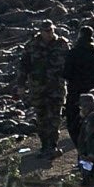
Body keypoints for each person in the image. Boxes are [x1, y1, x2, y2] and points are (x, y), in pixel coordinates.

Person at [18, 21, 69, 157]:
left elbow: (70, 64)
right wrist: (21, 85)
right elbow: (24, 66)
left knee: (54, 117)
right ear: (40, 31)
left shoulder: (62, 44)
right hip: (38, 87)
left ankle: (52, 145)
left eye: (51, 30)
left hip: (56, 87)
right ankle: (44, 145)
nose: (49, 33)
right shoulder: (32, 46)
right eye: (46, 31)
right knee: (41, 117)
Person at [63, 26, 94, 146]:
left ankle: (79, 144)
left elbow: (66, 74)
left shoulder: (73, 53)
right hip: (91, 93)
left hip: (74, 92)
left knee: (73, 120)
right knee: (91, 120)